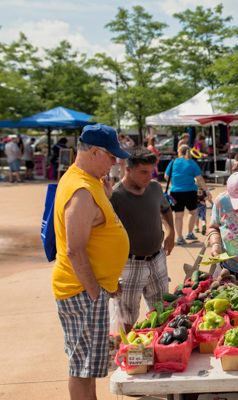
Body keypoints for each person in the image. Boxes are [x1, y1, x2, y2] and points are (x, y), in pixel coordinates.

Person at [51, 123, 130, 400]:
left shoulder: (89, 181)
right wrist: (96, 292)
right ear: (95, 152)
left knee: (89, 366)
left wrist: (106, 197)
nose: (115, 162)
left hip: (90, 289)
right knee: (83, 369)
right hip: (82, 291)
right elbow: (75, 250)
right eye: (111, 156)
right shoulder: (81, 191)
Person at [110, 147, 175, 332]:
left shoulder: (154, 187)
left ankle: (159, 354)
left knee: (162, 313)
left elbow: (165, 209)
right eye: (143, 172)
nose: (149, 176)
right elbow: (106, 240)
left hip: (157, 260)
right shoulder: (115, 196)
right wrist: (111, 275)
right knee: (127, 319)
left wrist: (171, 231)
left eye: (152, 171)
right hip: (129, 265)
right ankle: (127, 357)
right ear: (128, 169)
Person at [165, 144, 212, 246]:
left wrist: (176, 181)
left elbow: (166, 176)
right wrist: (206, 190)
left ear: (179, 152)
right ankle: (190, 233)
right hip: (190, 191)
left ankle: (180, 238)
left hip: (175, 192)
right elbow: (200, 178)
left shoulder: (173, 162)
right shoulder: (192, 163)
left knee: (178, 216)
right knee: (192, 212)